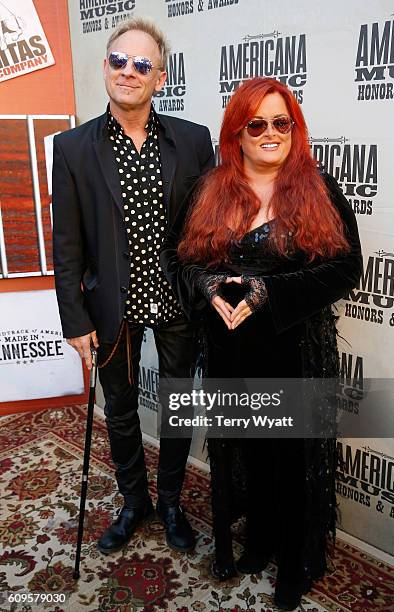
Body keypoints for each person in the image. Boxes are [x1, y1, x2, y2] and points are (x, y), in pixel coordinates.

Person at [160, 77, 362, 610]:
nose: (271, 134)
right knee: (248, 455)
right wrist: (206, 286)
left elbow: (346, 269)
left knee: (293, 461)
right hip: (231, 354)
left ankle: (296, 560)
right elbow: (182, 260)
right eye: (257, 124)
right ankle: (258, 541)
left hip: (293, 354)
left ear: (294, 129)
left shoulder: (319, 190)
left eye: (281, 123)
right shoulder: (211, 190)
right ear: (237, 133)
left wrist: (271, 292)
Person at [52, 17, 214, 556]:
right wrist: (74, 320)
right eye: (119, 61)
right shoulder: (73, 148)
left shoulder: (193, 141)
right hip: (110, 306)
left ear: (160, 77)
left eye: (142, 64)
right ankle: (133, 501)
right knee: (120, 410)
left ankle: (169, 502)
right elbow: (68, 243)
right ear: (105, 67)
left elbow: (206, 231)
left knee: (176, 406)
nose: (128, 72)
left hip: (176, 302)